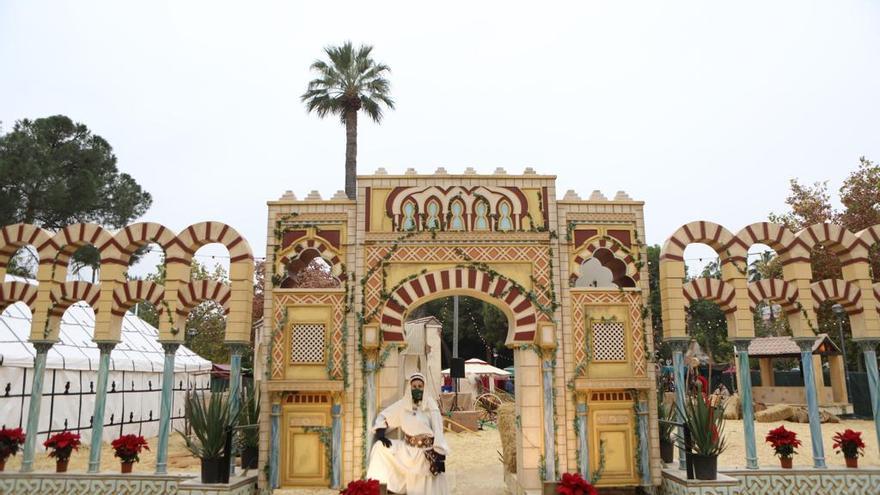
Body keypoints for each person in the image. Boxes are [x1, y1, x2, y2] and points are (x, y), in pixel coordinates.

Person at [367, 373, 450, 495]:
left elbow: (438, 430)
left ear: (424, 388)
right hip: (407, 450)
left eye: (420, 386)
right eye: (414, 386)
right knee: (379, 447)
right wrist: (381, 434)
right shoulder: (403, 405)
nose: (417, 389)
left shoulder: (431, 406)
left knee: (423, 487)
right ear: (409, 388)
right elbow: (385, 416)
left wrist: (439, 454)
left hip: (425, 454)